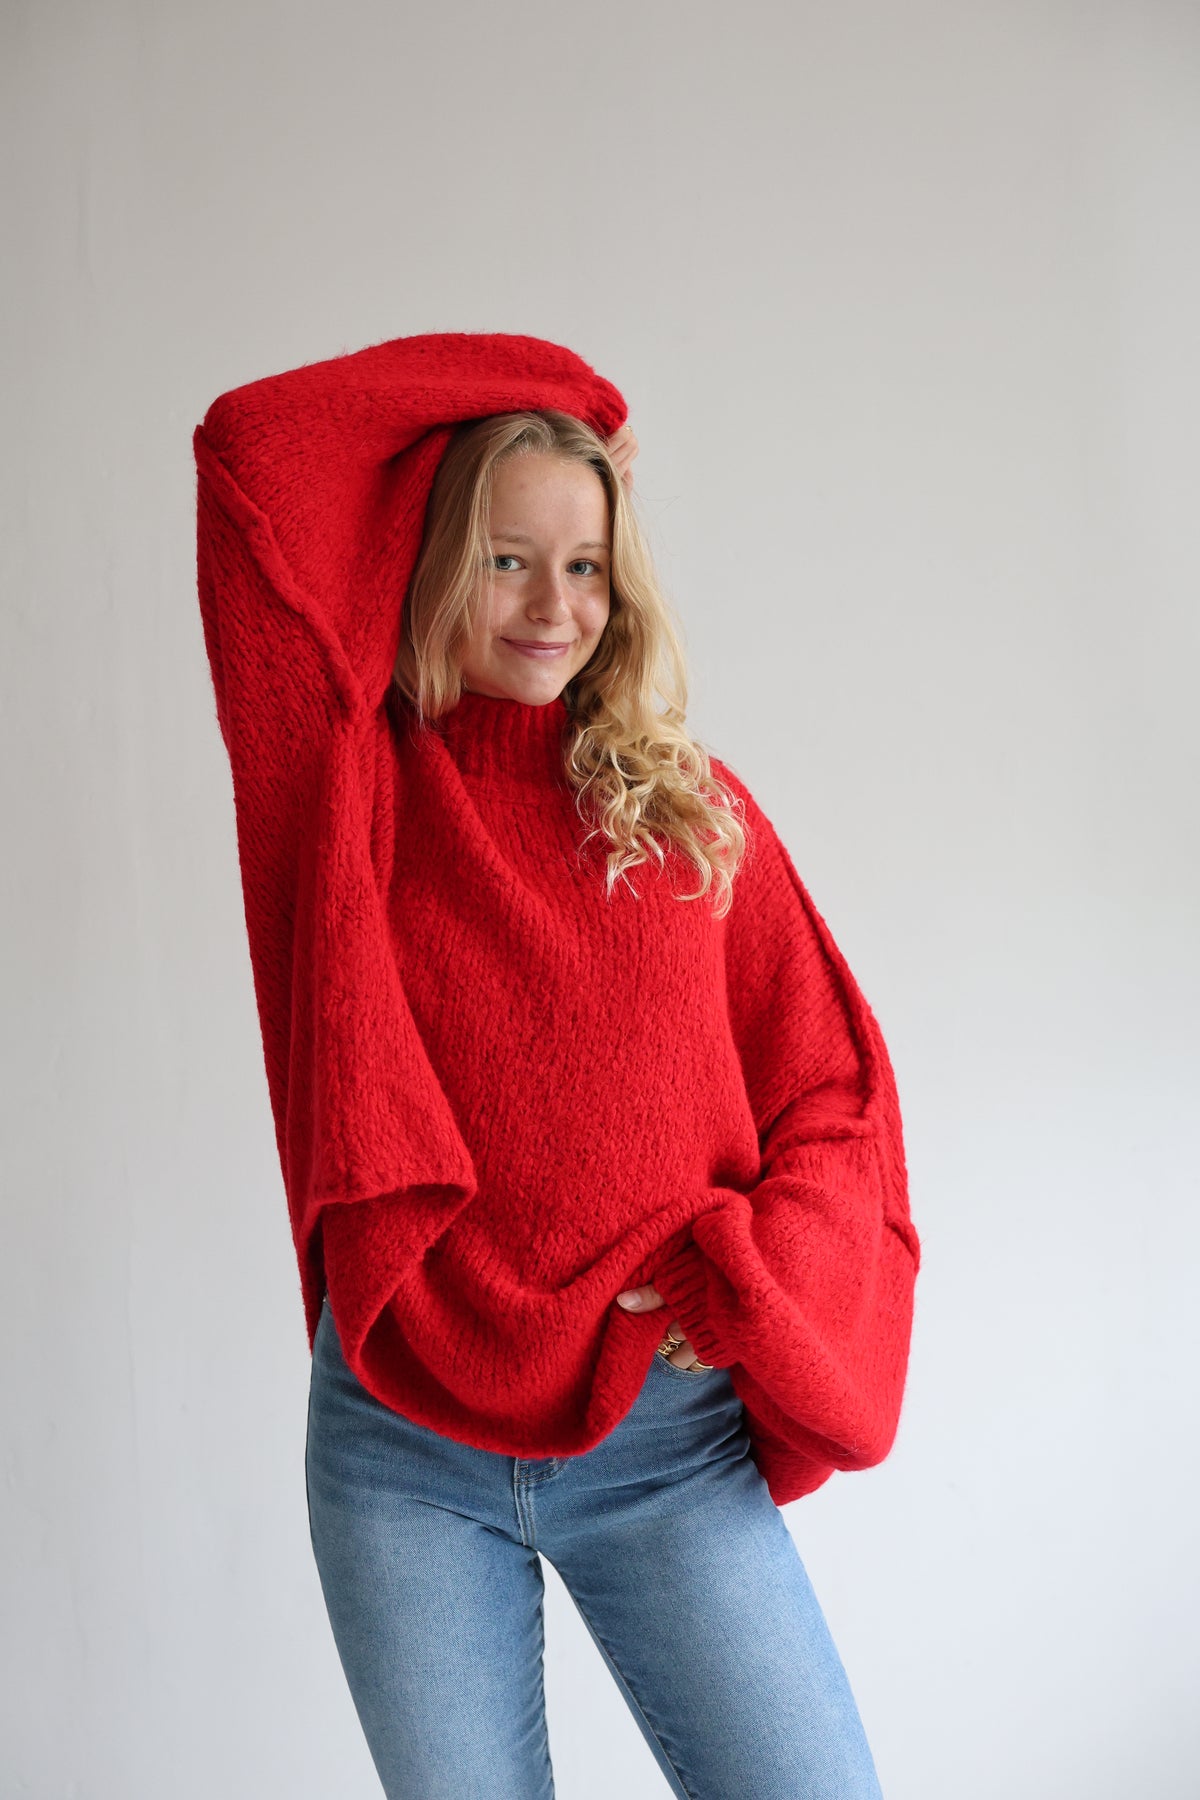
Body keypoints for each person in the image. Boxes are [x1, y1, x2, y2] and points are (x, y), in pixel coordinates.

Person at [192, 330, 921, 1798]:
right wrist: (565, 392)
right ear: (426, 560)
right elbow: (249, 449)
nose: (554, 606)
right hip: (402, 1452)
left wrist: (744, 1273)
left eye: (586, 564)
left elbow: (837, 1095)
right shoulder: (345, 788)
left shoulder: (689, 817)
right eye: (505, 559)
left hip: (664, 1446)